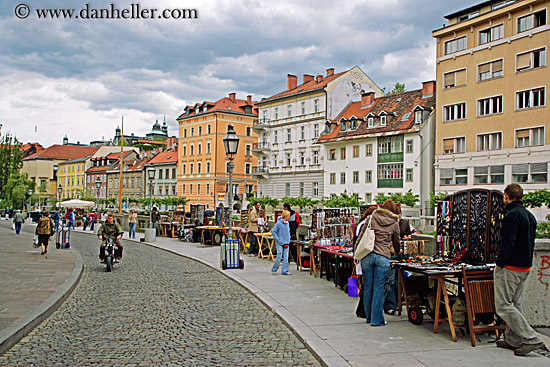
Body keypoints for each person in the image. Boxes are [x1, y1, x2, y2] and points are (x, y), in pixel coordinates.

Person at [494, 183, 547, 356]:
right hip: (525, 266)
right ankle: (513, 339)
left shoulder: (511, 216)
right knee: (515, 304)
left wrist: (500, 262)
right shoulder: (529, 216)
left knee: (503, 306)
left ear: (507, 196)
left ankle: (532, 338)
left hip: (510, 267)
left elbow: (507, 243)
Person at [359, 200, 400, 326]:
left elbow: (361, 236)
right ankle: (377, 319)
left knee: (367, 287)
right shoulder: (394, 222)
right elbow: (396, 241)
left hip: (367, 254)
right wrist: (397, 251)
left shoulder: (371, 218)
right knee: (379, 288)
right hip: (383, 256)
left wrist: (356, 252)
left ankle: (369, 317)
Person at [384, 205, 411, 315]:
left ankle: (396, 302)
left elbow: (409, 234)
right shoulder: (388, 224)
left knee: (398, 280)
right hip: (391, 253)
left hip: (402, 254)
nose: (398, 219)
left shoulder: (405, 223)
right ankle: (390, 305)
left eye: (399, 217)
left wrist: (408, 237)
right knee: (390, 280)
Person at [271, 210, 291, 275]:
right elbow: (274, 232)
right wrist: (277, 239)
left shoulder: (287, 223)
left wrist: (288, 239)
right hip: (280, 242)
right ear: (285, 216)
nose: (289, 217)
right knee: (279, 255)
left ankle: (285, 271)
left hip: (286, 242)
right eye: (288, 216)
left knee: (286, 257)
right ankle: (274, 269)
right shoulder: (279, 223)